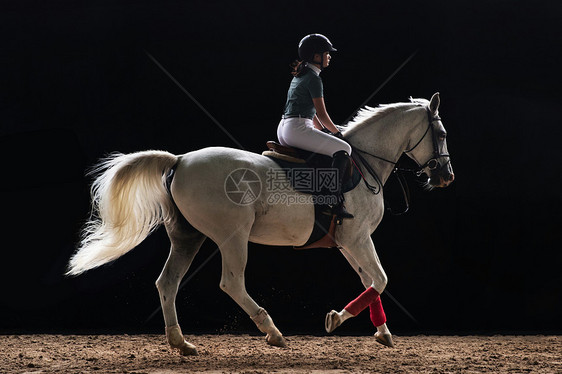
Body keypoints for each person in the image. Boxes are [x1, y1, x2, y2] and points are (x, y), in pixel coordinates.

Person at [277, 34, 354, 220]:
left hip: (284, 128)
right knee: (345, 149)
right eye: (326, 53)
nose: (329, 56)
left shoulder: (302, 74)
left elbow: (313, 117)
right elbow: (322, 114)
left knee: (329, 146)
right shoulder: (314, 78)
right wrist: (338, 133)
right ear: (316, 56)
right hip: (297, 128)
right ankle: (333, 200)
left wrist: (325, 131)